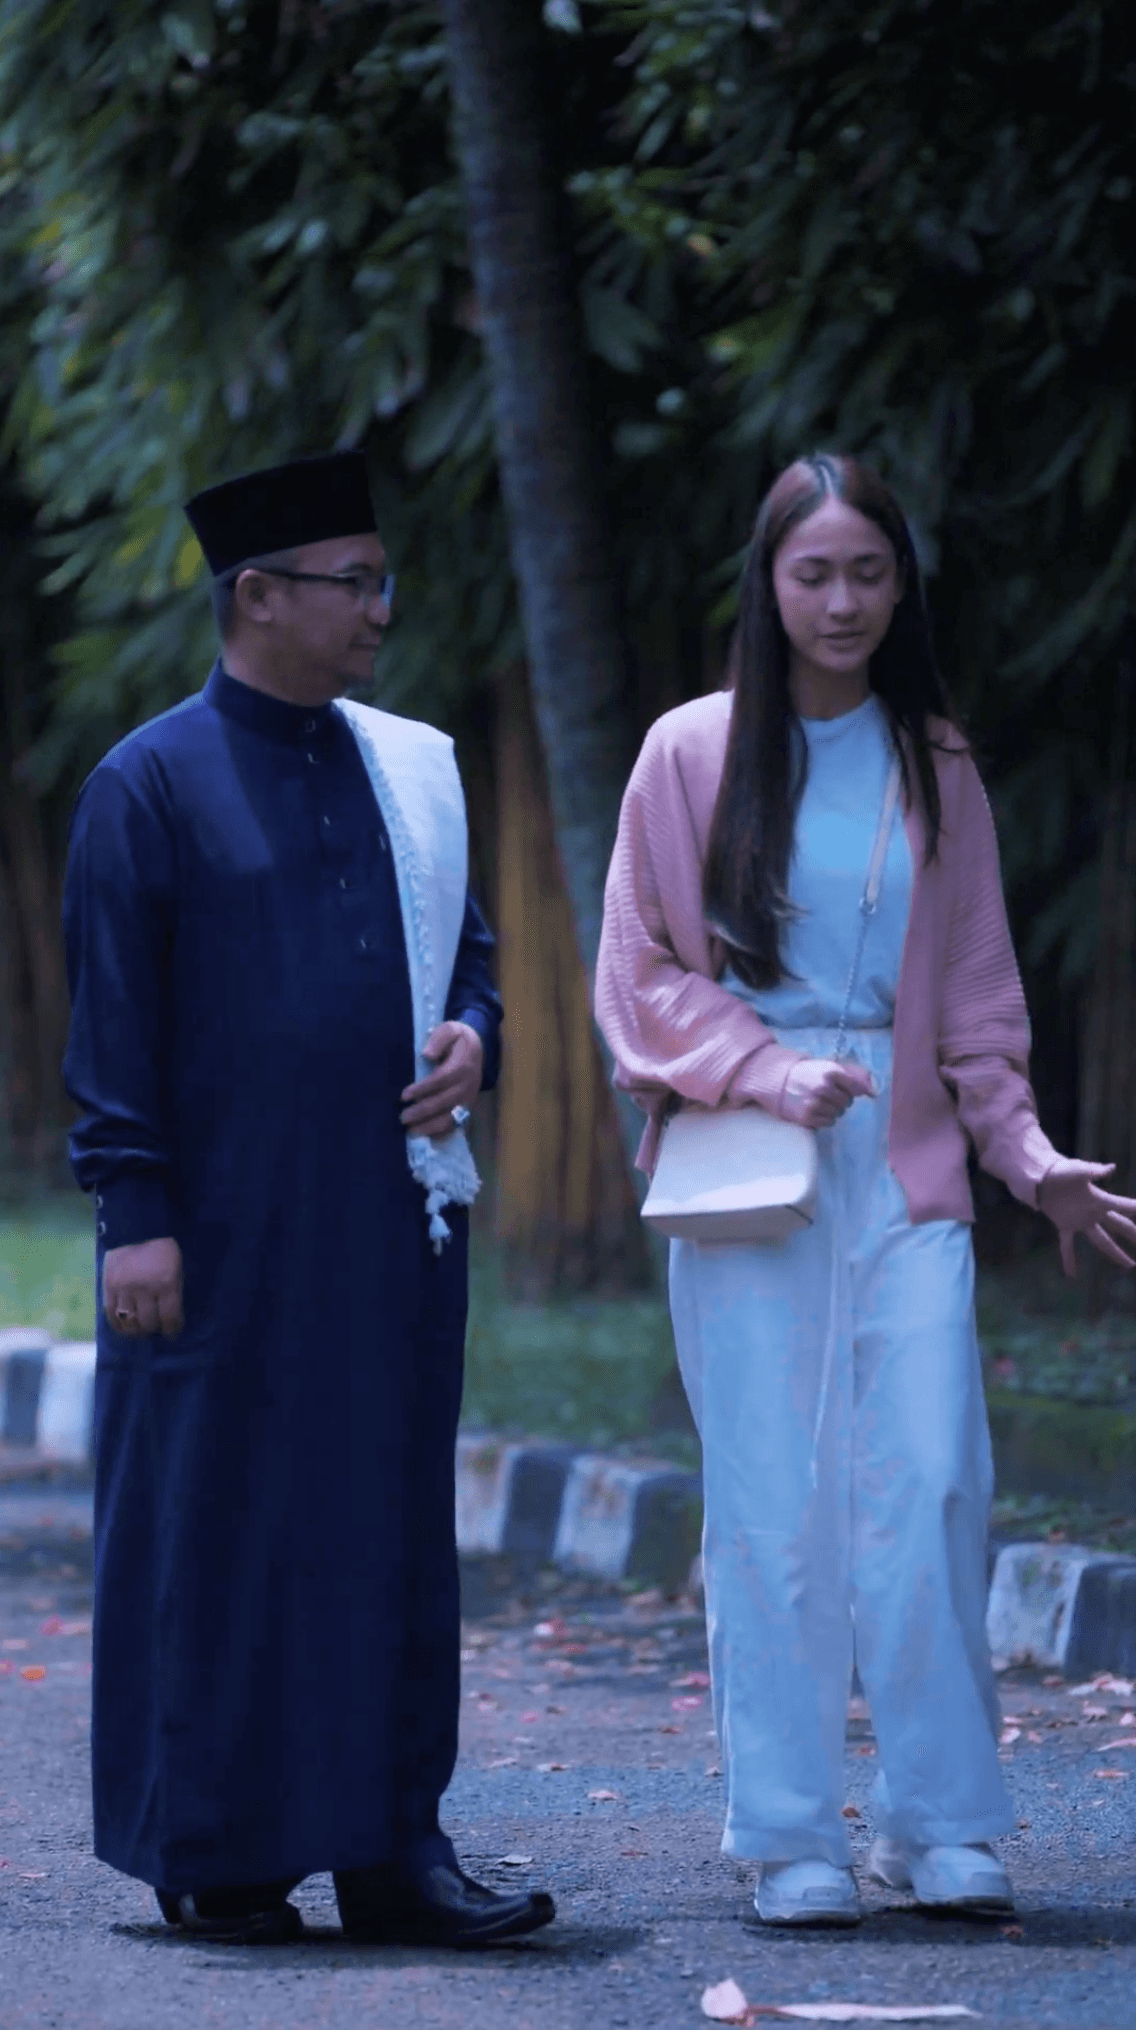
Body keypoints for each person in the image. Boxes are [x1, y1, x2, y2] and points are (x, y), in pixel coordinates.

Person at [595, 452, 1136, 1928]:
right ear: (768, 584)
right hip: (749, 1167)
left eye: (869, 572)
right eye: (814, 573)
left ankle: (937, 1819)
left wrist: (1030, 1160)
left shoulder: (934, 760)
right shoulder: (689, 752)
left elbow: (977, 1000)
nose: (842, 601)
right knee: (773, 1502)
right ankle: (788, 1835)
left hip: (907, 1171)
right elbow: (637, 973)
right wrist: (762, 1067)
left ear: (903, 587)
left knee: (934, 1481)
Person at [62, 451, 554, 1948]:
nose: (380, 608)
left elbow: (467, 955)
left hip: (390, 1224)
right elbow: (111, 1024)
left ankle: (394, 1850)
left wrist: (477, 1036)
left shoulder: (405, 770)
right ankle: (218, 1852)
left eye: (380, 579)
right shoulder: (148, 781)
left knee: (385, 1529)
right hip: (216, 1238)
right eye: (354, 583)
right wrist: (133, 1213)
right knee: (217, 1529)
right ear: (259, 596)